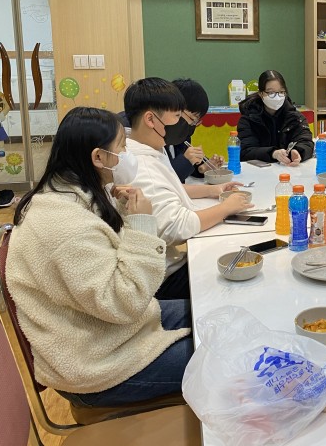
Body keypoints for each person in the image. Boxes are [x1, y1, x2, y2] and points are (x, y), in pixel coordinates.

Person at [6, 107, 192, 407]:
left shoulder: (73, 194)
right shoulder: (63, 225)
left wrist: (117, 209)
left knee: (209, 314)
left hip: (103, 331)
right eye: (121, 147)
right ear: (98, 158)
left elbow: (105, 261)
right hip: (95, 364)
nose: (127, 155)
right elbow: (126, 301)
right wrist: (142, 226)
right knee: (217, 351)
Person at [125, 78, 251, 299]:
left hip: (168, 264)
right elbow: (176, 227)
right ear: (150, 120)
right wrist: (225, 209)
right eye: (176, 116)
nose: (182, 124)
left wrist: (214, 190)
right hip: (165, 278)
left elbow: (171, 188)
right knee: (238, 271)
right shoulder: (142, 166)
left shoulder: (151, 149)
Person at [119, 78, 222, 183]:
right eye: (176, 115)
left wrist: (201, 167)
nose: (191, 125)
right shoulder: (132, 138)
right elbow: (162, 180)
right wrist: (185, 160)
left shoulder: (169, 133)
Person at [237, 70, 313, 166]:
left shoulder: (295, 117)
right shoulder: (248, 119)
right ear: (261, 94)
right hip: (259, 173)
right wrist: (273, 153)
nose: (277, 97)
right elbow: (245, 152)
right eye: (271, 93)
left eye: (281, 92)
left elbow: (307, 142)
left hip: (288, 170)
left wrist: (298, 151)